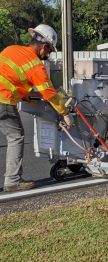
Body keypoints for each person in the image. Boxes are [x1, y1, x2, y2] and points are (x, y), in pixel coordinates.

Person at [0, 24, 74, 192]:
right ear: (44, 46)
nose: (47, 55)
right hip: (3, 100)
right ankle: (12, 181)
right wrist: (65, 113)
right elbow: (50, 94)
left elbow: (8, 75)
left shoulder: (11, 49)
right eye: (48, 51)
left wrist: (23, 93)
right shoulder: (35, 65)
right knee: (16, 136)